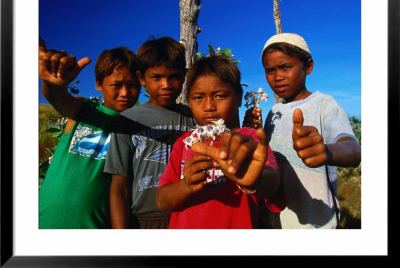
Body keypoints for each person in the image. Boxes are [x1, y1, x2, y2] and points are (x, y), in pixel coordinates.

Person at [244, 32, 361, 229]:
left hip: (316, 224)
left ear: (308, 66)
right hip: (274, 222)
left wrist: (326, 151)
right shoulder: (273, 112)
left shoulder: (324, 104)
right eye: (270, 70)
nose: (277, 76)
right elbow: (267, 158)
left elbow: (353, 150)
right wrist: (254, 133)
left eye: (285, 67)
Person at [156, 54, 286, 229]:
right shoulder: (185, 142)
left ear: (238, 98)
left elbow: (273, 181)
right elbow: (162, 200)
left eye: (219, 96)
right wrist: (185, 186)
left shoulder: (248, 138)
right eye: (198, 97)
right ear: (189, 101)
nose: (209, 106)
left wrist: (255, 181)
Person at [39, 39, 141, 228]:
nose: (125, 92)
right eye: (116, 85)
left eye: (133, 85)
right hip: (46, 223)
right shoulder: (84, 109)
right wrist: (53, 83)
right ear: (98, 84)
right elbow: (57, 97)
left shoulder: (137, 129)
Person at [104, 37, 197, 229]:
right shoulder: (128, 120)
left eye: (174, 76)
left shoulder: (193, 119)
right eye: (157, 77)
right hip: (144, 221)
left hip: (189, 215)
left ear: (183, 76)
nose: (166, 85)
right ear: (141, 78)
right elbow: (119, 186)